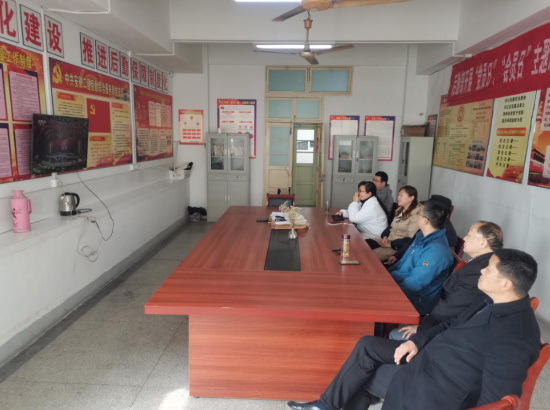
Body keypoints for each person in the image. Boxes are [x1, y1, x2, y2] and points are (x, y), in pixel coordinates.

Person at [287, 248, 540, 410]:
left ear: (506, 283)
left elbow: (496, 401)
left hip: (439, 390)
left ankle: (326, 406)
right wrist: (416, 341)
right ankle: (326, 406)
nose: (481, 270)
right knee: (367, 350)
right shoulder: (490, 299)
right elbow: (450, 323)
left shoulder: (515, 337)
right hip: (428, 358)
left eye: (489, 269)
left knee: (365, 376)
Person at [390, 221, 504, 341]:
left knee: (395, 334)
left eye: (469, 235)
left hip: (450, 329)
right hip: (442, 314)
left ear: (483, 242)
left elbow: (454, 306)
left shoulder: (480, 271)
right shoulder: (482, 262)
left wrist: (422, 327)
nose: (465, 238)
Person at [387, 201, 454, 315]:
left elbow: (414, 284)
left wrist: (389, 291)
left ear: (425, 220)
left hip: (413, 299)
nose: (416, 216)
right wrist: (386, 276)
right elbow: (401, 264)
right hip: (399, 285)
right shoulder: (422, 237)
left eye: (418, 213)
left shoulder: (436, 251)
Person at [387, 194, 457, 266]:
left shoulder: (442, 232)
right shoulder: (431, 225)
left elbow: (429, 261)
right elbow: (412, 244)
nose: (418, 216)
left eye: (419, 213)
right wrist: (396, 255)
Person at [368, 186, 421, 262]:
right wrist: (385, 237)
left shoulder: (416, 216)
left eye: (401, 195)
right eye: (399, 194)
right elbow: (391, 227)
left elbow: (410, 240)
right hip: (389, 240)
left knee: (369, 255)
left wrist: (391, 244)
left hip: (397, 247)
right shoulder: (400, 211)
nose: (398, 197)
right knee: (365, 244)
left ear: (411, 198)